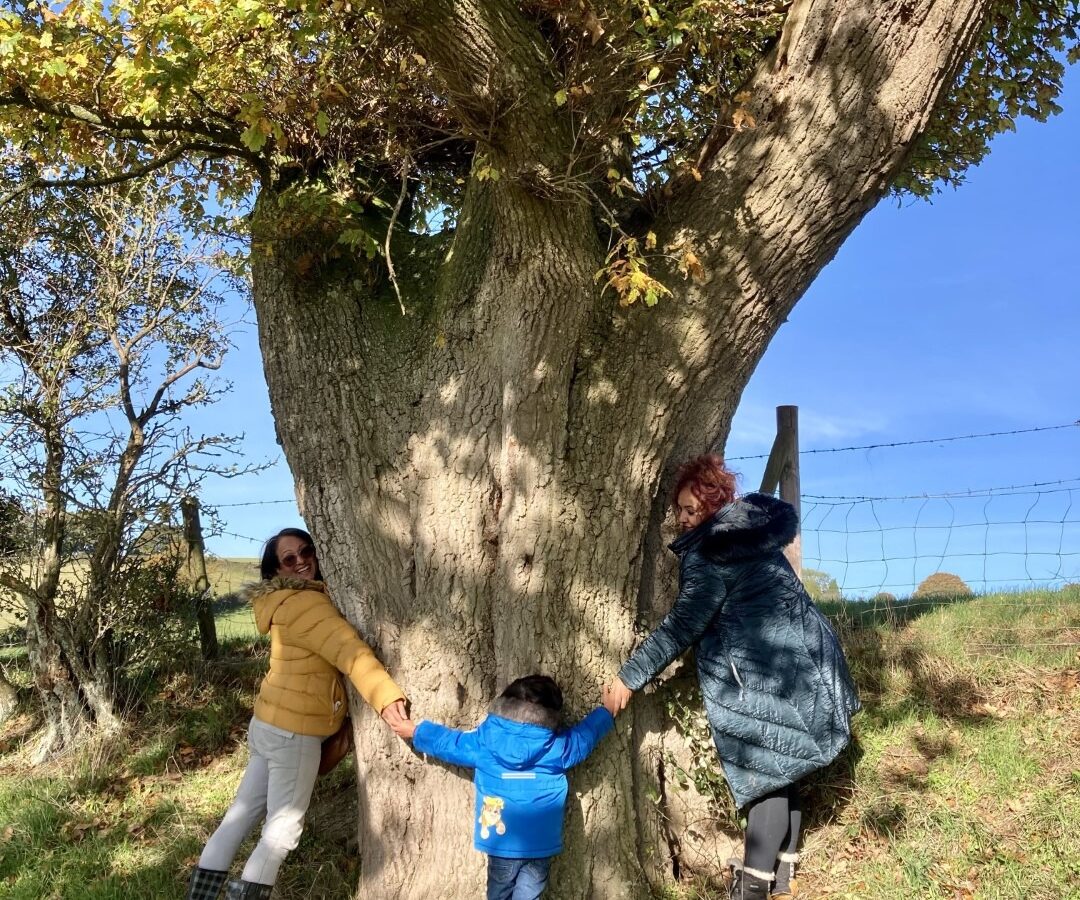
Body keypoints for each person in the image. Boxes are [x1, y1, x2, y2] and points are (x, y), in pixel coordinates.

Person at [605, 455, 860, 900]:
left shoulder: (713, 551)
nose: (682, 519)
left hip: (761, 675)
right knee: (785, 766)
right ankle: (782, 878)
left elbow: (684, 623)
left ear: (714, 501)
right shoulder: (749, 536)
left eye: (690, 509)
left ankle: (752, 890)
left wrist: (630, 676)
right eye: (679, 510)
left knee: (766, 775)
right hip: (803, 663)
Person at [185, 528, 408, 900]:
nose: (302, 560)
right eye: (289, 558)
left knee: (241, 816)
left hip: (269, 724)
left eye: (307, 551)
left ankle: (201, 896)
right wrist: (386, 697)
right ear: (276, 571)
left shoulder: (282, 602)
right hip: (295, 731)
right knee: (282, 829)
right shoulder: (307, 605)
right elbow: (349, 652)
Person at [390, 675, 614, 900]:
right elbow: (584, 738)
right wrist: (606, 712)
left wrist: (417, 731)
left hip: (502, 842)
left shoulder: (485, 741)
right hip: (540, 843)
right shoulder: (557, 747)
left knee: (499, 893)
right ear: (551, 715)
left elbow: (451, 743)